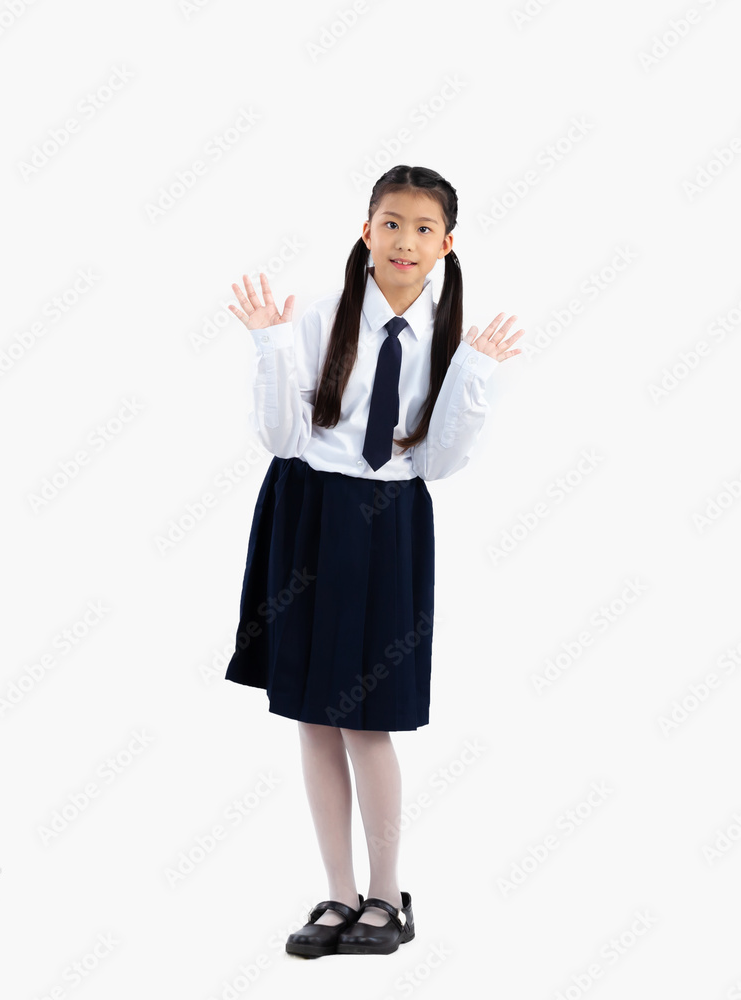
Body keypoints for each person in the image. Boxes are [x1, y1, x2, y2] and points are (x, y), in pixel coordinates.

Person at [224, 164, 524, 958]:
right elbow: (285, 439)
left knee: (368, 719)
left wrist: (473, 376)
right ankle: (336, 895)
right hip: (306, 510)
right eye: (391, 223)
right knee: (313, 715)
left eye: (424, 229)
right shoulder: (321, 318)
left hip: (387, 520)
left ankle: (388, 899)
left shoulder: (450, 342)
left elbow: (436, 466)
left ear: (446, 246)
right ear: (366, 231)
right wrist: (268, 346)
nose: (405, 240)